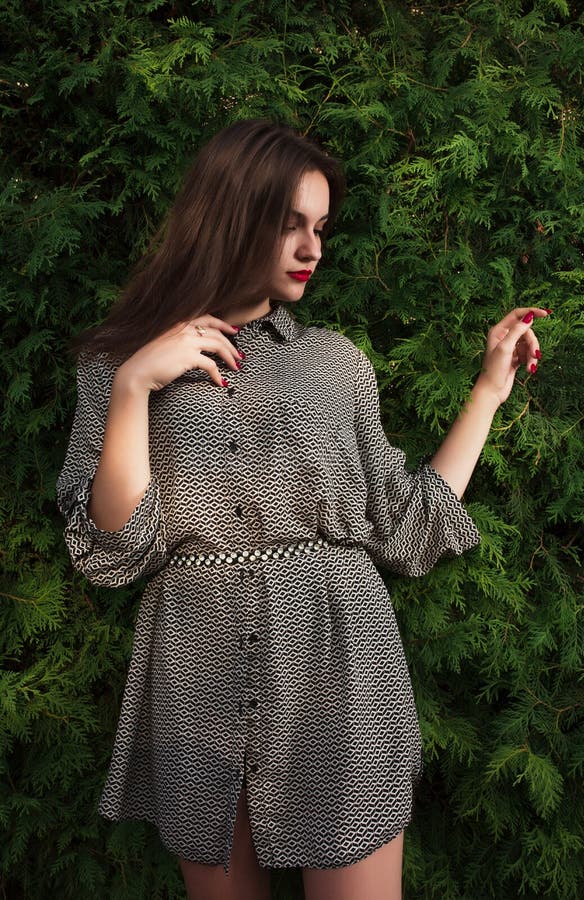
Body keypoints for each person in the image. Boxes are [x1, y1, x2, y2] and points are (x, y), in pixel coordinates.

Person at [56, 118, 547, 900]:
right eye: (288, 226)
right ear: (228, 215)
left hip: (340, 663)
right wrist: (133, 388)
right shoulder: (117, 362)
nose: (312, 248)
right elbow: (112, 552)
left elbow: (405, 521)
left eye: (319, 228)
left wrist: (489, 390)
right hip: (196, 667)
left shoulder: (335, 364)